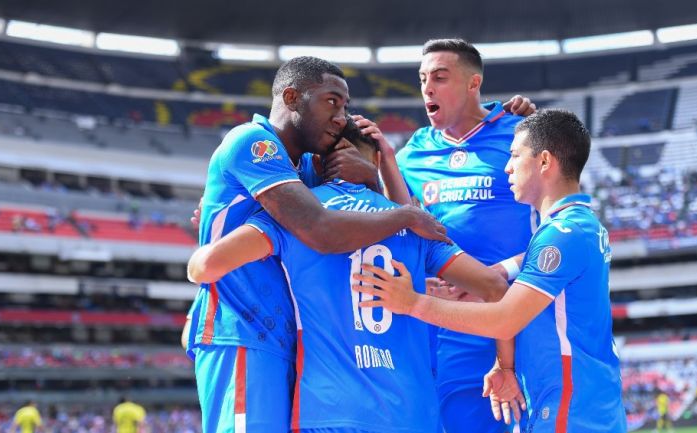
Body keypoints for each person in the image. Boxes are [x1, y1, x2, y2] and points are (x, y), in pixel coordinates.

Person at [188, 118, 510, 432]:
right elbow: (495, 287)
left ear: (318, 160)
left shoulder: (297, 219)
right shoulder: (416, 225)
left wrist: (212, 226)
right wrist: (504, 365)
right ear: (376, 160)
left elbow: (206, 266)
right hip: (413, 412)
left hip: (328, 409)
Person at [186, 56, 449, 433]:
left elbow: (357, 213)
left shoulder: (307, 168)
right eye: (331, 101)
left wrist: (375, 175)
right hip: (242, 329)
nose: (341, 116)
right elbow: (320, 228)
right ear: (291, 97)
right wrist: (407, 216)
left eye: (345, 106)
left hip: (291, 340)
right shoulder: (252, 141)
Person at [355, 109, 626, 433]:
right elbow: (532, 269)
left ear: (544, 162)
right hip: (578, 407)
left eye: (514, 156)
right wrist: (497, 273)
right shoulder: (578, 225)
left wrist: (411, 302)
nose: (507, 167)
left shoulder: (563, 234)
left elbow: (505, 319)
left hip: (570, 413)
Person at [395, 38, 535, 433]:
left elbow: (558, 229)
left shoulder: (520, 136)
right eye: (423, 79)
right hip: (440, 327)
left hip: (510, 320)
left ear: (474, 83)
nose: (427, 87)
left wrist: (496, 276)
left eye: (440, 77)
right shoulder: (409, 155)